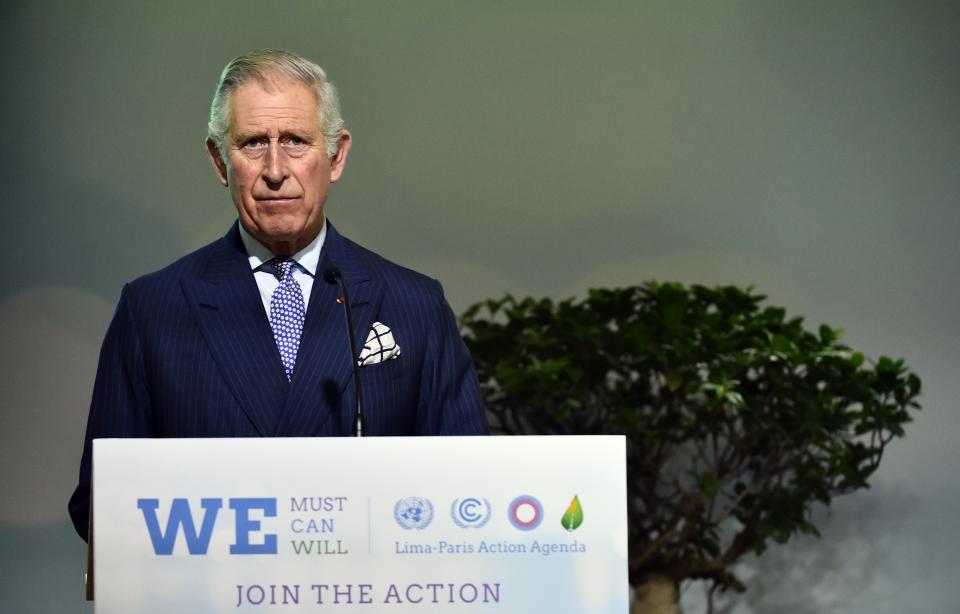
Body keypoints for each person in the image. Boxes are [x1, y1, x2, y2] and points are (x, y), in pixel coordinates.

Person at [67, 49, 488, 541]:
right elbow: (101, 502)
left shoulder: (414, 305)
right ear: (219, 160)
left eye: (295, 141)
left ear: (337, 155)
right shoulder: (154, 309)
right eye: (251, 143)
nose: (274, 169)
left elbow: (468, 494)